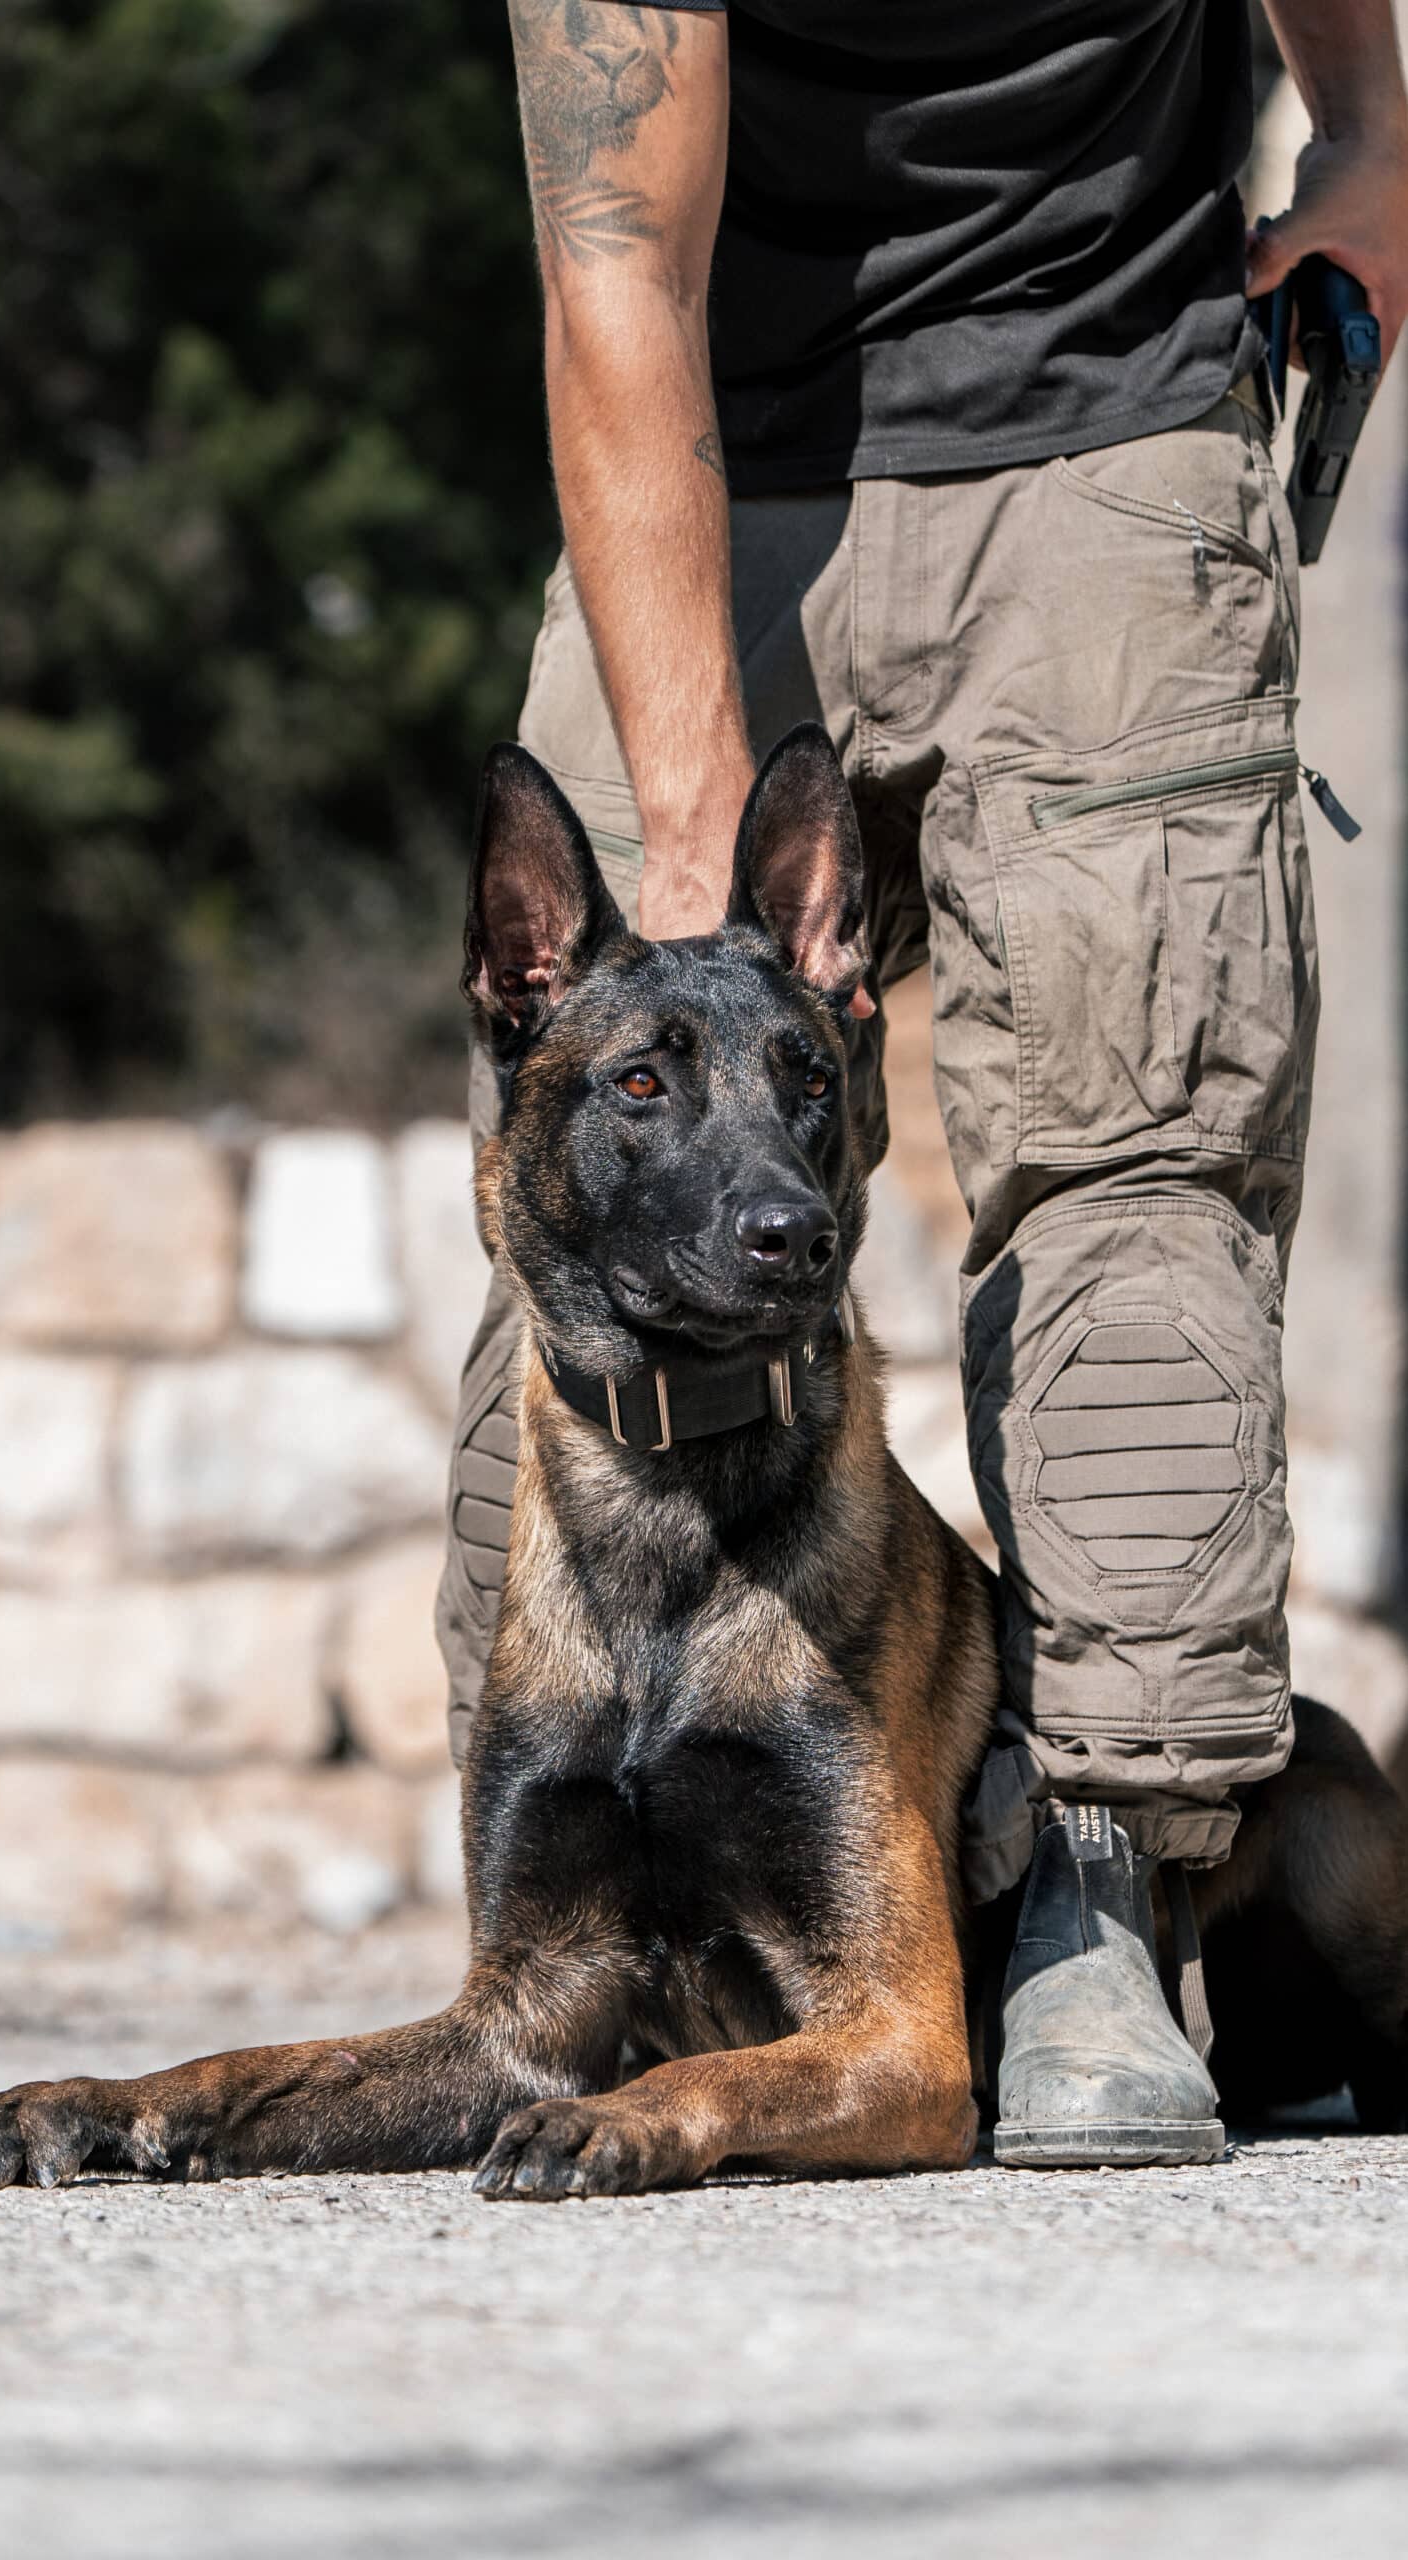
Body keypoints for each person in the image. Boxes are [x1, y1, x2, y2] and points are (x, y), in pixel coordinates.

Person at [437, 0, 1408, 2166]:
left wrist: (1365, 122)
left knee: (1130, 1190)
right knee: (586, 1183)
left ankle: (1096, 1897)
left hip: (1104, 448)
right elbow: (611, 253)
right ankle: (587, 1921)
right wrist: (688, 882)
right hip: (691, 448)